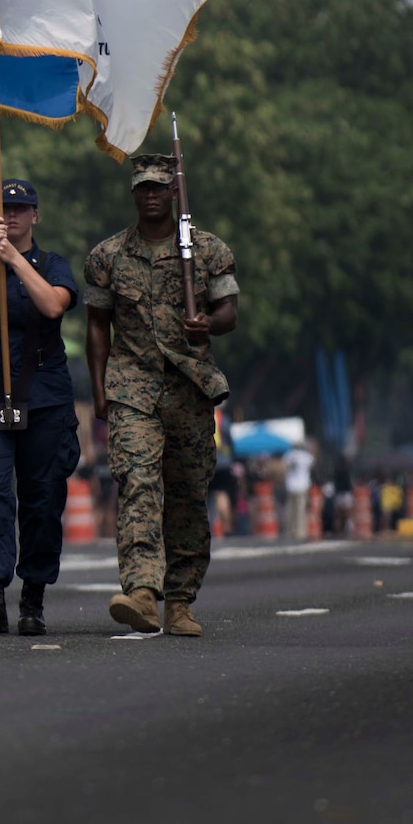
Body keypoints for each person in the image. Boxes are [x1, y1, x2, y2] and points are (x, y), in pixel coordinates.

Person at [84, 153, 240, 638]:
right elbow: (96, 328)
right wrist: (100, 392)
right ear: (133, 193)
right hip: (132, 386)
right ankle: (142, 592)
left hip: (189, 388)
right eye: (143, 187)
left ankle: (180, 598)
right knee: (137, 484)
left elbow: (229, 311)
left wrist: (207, 322)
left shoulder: (207, 250)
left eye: (159, 187)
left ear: (173, 192)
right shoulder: (107, 256)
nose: (151, 194)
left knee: (188, 495)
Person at [0, 180, 80, 637]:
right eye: (5, 208)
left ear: (35, 216)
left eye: (22, 209)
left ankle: (34, 597)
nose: (14, 215)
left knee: (42, 499)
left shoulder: (52, 264)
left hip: (44, 395)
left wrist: (15, 260)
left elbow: (52, 305)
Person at [284, 440, 316, 541]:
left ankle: (290, 530)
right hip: (302, 485)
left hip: (291, 485)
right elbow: (313, 464)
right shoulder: (305, 456)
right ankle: (300, 531)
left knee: (290, 510)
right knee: (301, 510)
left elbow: (284, 466)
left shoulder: (289, 455)